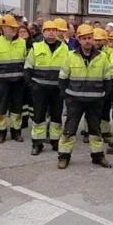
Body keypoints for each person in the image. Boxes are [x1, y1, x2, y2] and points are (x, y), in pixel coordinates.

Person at [56, 24, 113, 170]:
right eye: (84, 38)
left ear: (93, 39)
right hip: (74, 101)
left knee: (95, 130)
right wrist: (66, 95)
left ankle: (98, 156)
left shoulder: (102, 57)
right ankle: (63, 157)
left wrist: (103, 96)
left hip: (95, 101)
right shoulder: (70, 56)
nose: (87, 41)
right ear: (79, 40)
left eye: (89, 38)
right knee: (69, 130)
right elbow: (62, 78)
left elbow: (107, 79)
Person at [24, 20, 69, 155]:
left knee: (56, 116)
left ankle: (55, 141)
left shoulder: (64, 48)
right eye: (48, 30)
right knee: (39, 116)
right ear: (43, 32)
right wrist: (32, 86)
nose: (51, 32)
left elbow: (69, 69)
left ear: (57, 32)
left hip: (57, 90)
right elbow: (27, 68)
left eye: (54, 30)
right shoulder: (36, 47)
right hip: (40, 89)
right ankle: (37, 143)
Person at [0, 14, 27, 143]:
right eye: (10, 27)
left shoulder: (22, 42)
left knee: (17, 109)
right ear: (3, 28)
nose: (13, 30)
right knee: (1, 108)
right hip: (0, 82)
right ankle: (1, 132)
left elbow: (25, 61)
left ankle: (16, 132)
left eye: (15, 27)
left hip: (18, 82)